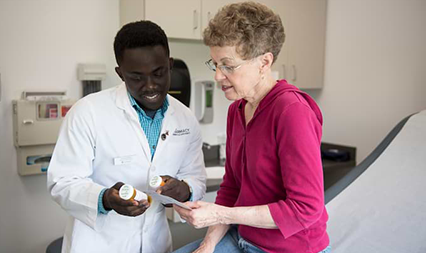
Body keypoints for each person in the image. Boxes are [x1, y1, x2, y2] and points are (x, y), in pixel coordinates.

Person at [173, 2, 330, 253]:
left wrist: (221, 215)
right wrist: (208, 245)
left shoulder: (292, 111)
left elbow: (306, 209)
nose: (218, 76)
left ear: (264, 62)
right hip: (243, 239)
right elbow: (232, 187)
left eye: (228, 65)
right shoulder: (238, 109)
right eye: (215, 64)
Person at [47, 20, 206, 253]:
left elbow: (196, 179)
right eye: (136, 77)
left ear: (170, 65)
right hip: (98, 245)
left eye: (158, 73)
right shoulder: (87, 112)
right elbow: (62, 183)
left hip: (156, 243)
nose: (150, 86)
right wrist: (105, 199)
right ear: (120, 73)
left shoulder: (185, 118)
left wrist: (184, 189)